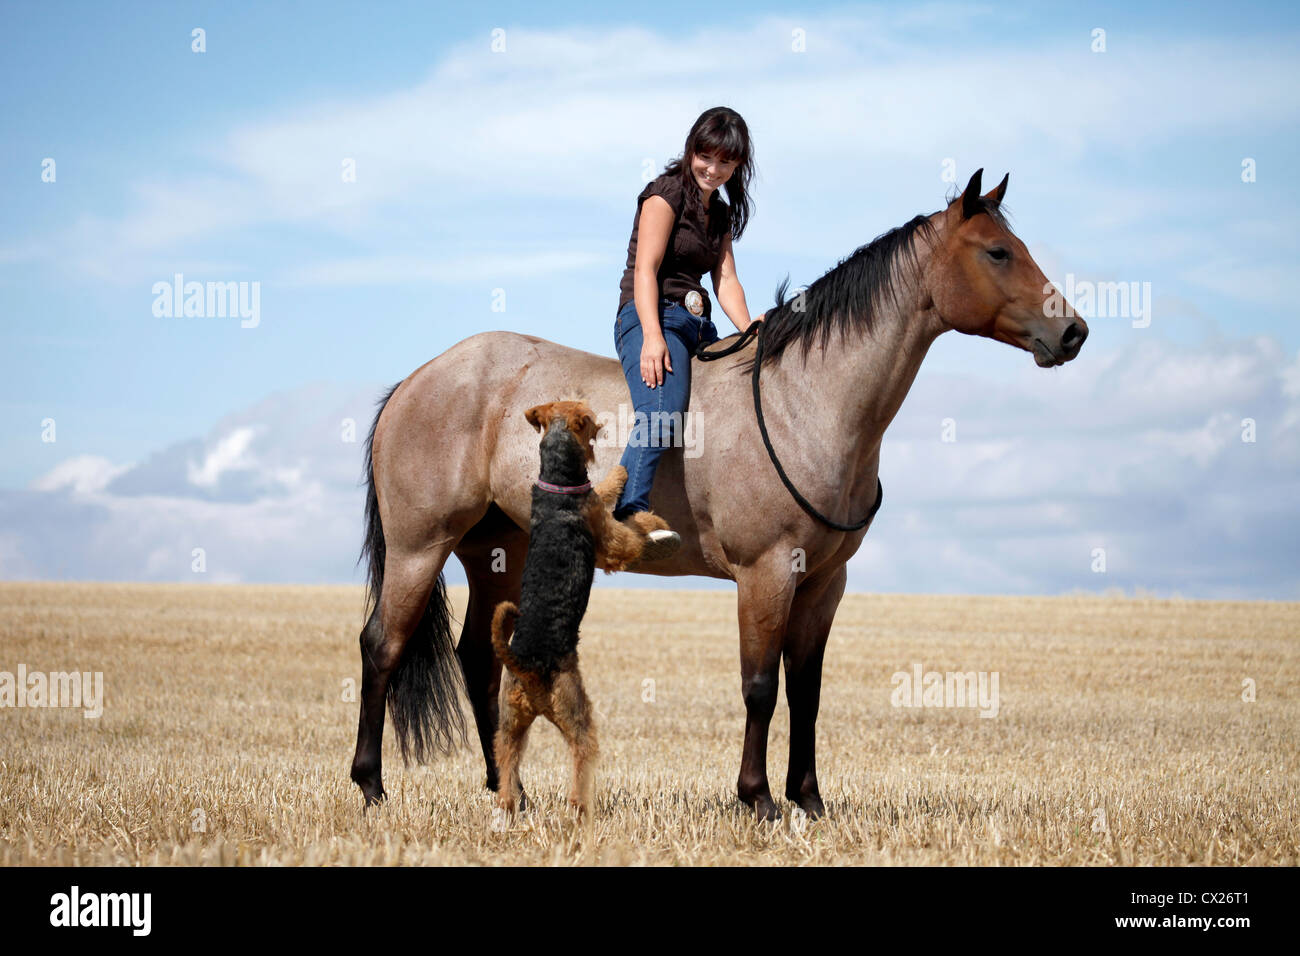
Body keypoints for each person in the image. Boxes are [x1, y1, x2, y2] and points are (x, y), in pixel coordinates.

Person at [612, 106, 761, 560]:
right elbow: (646, 271)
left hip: (700, 324)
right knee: (663, 407)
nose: (713, 169)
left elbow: (726, 281)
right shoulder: (664, 194)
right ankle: (626, 510)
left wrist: (752, 328)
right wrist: (653, 336)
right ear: (691, 148)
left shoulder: (722, 213)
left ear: (738, 166)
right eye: (705, 156)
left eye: (725, 162)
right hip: (650, 314)